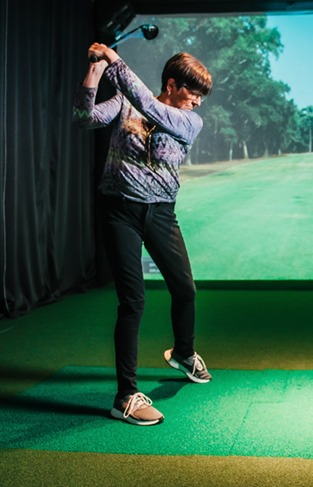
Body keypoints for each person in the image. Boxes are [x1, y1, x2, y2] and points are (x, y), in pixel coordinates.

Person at [73, 42, 213, 426]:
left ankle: (184, 353)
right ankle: (125, 396)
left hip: (162, 213)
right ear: (172, 83)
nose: (199, 102)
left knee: (184, 288)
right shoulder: (123, 102)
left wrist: (116, 59)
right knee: (133, 300)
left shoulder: (189, 121)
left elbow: (150, 108)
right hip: (119, 210)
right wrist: (98, 70)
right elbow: (82, 118)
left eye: (202, 95)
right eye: (193, 93)